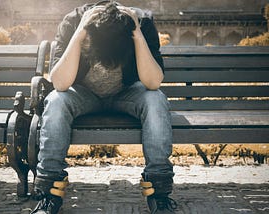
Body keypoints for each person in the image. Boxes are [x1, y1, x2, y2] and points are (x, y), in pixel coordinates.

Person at [31, 1, 176, 213]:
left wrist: (136, 34)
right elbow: (60, 83)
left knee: (156, 99)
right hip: (84, 95)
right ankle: (49, 193)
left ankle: (159, 193)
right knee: (56, 100)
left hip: (126, 94)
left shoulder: (141, 23)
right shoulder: (73, 22)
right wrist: (80, 33)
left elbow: (153, 83)